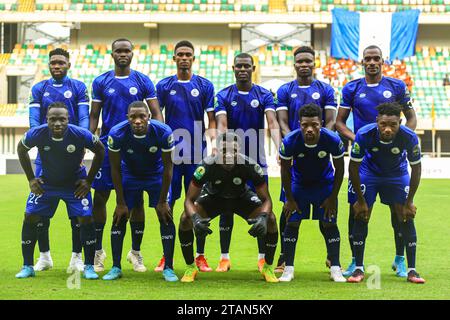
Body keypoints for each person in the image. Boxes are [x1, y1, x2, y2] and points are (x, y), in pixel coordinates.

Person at [335, 45, 417, 277]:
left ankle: (400, 259)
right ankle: (354, 261)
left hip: (392, 161)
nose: (372, 62)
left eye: (376, 59)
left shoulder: (397, 86)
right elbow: (340, 123)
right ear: (362, 62)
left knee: (398, 211)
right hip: (365, 160)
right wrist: (361, 141)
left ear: (383, 61)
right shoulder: (352, 88)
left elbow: (411, 118)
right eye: (367, 59)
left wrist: (399, 142)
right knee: (357, 210)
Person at [89, 38, 163, 273]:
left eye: (127, 51)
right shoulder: (101, 81)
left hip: (135, 149)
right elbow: (94, 115)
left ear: (133, 53)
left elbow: (156, 113)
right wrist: (87, 142)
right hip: (107, 147)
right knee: (100, 197)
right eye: (118, 51)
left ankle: (136, 253)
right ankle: (98, 251)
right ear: (111, 54)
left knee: (136, 200)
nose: (123, 54)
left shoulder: (142, 80)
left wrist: (160, 139)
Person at [15, 102, 104, 280]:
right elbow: (21, 149)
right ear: (46, 120)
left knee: (85, 218)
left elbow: (100, 150)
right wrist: (31, 179)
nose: (57, 123)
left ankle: (88, 266)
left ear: (68, 120)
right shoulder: (37, 133)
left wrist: (89, 181)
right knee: (30, 215)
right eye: (53, 119)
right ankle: (27, 266)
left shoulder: (79, 134)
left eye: (62, 119)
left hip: (75, 185)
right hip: (47, 184)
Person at [178, 132, 279, 283]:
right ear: (216, 151)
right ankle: (191, 267)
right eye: (224, 150)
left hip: (241, 199)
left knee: (271, 219)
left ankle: (268, 268)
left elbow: (267, 200)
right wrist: (196, 219)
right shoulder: (205, 167)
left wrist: (263, 218)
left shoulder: (250, 166)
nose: (229, 154)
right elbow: (188, 200)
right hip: (213, 199)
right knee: (185, 218)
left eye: (234, 151)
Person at [215, 52, 281, 273]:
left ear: (253, 68)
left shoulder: (264, 94)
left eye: (246, 66)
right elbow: (222, 124)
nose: (242, 69)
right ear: (233, 69)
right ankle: (224, 257)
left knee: (262, 207)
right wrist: (224, 147)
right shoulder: (223, 95)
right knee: (226, 207)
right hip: (230, 161)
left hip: (256, 162)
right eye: (238, 66)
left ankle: (262, 259)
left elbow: (272, 122)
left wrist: (280, 145)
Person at [155, 40, 216, 272]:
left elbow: (211, 120)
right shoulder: (163, 85)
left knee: (199, 204)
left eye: (187, 54)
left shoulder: (204, 86)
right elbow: (158, 118)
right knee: (167, 204)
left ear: (193, 58)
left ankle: (200, 255)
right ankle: (166, 255)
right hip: (171, 158)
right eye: (179, 54)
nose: (183, 57)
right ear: (173, 58)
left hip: (196, 155)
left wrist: (213, 145)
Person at [275, 46, 338, 272]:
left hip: (319, 154)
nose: (304, 65)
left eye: (308, 61)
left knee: (326, 211)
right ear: (294, 64)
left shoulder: (326, 89)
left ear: (315, 63)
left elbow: (330, 121)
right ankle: (284, 257)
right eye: (300, 61)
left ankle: (333, 257)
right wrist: (288, 146)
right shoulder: (284, 90)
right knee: (288, 209)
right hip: (294, 154)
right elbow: (282, 122)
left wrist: (321, 142)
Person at [347, 102, 425, 284]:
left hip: (396, 173)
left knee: (405, 216)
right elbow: (353, 167)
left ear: (400, 122)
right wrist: (360, 200)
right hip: (369, 172)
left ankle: (411, 270)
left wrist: (410, 201)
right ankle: (358, 267)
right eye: (383, 124)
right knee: (362, 214)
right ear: (377, 122)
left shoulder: (409, 137)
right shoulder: (365, 134)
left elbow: (417, 169)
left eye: (393, 125)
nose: (388, 129)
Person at [28, 47, 90, 272]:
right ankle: (44, 256)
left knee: (77, 212)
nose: (56, 66)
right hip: (45, 157)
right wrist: (38, 141)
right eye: (53, 62)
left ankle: (77, 257)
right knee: (40, 211)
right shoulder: (38, 88)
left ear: (68, 65)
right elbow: (34, 121)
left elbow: (83, 118)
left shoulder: (78, 88)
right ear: (49, 65)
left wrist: (82, 144)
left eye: (61, 63)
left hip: (72, 155)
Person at [102, 101, 177, 281]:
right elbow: (115, 169)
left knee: (165, 215)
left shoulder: (163, 131)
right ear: (127, 118)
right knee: (120, 216)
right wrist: (120, 202)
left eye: (142, 116)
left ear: (149, 117)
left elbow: (168, 168)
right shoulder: (117, 133)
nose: (137, 121)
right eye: (133, 117)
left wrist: (163, 201)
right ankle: (116, 267)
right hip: (130, 174)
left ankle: (169, 267)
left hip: (156, 175)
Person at [279, 103, 346, 282]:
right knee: (292, 223)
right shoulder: (290, 141)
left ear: (321, 124)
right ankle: (289, 268)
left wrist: (333, 197)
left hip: (324, 185)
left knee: (329, 224)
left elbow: (340, 169)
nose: (309, 129)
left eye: (314, 125)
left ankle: (335, 267)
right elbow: (285, 171)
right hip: (299, 185)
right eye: (305, 125)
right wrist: (289, 199)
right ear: (299, 124)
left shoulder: (332, 140)